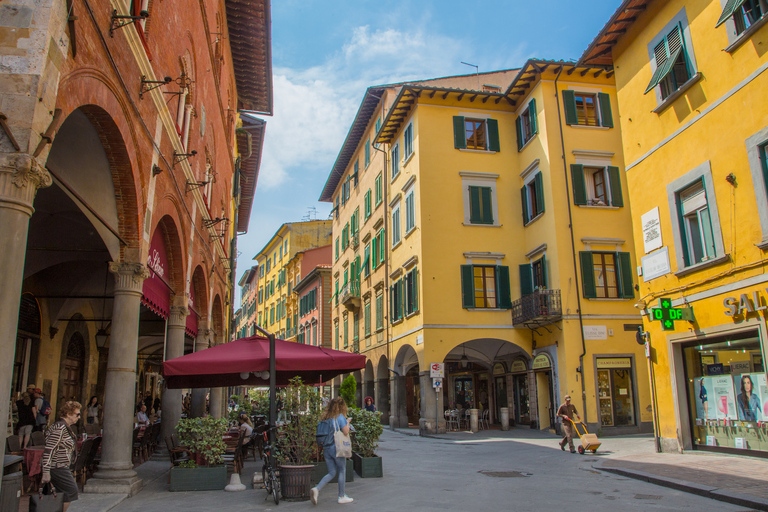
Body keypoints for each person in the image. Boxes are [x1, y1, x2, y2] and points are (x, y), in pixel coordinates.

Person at [310, 397, 353, 505]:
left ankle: (317, 489)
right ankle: (341, 496)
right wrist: (347, 422)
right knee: (342, 470)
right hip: (337, 448)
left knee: (331, 472)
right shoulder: (340, 417)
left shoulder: (325, 418)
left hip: (326, 448)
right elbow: (346, 431)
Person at [41, 400, 81, 512]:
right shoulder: (60, 428)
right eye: (77, 414)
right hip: (57, 466)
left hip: (61, 466)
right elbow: (49, 450)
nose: (79, 417)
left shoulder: (65, 427)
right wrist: (45, 471)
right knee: (71, 490)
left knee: (62, 493)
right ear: (68, 414)